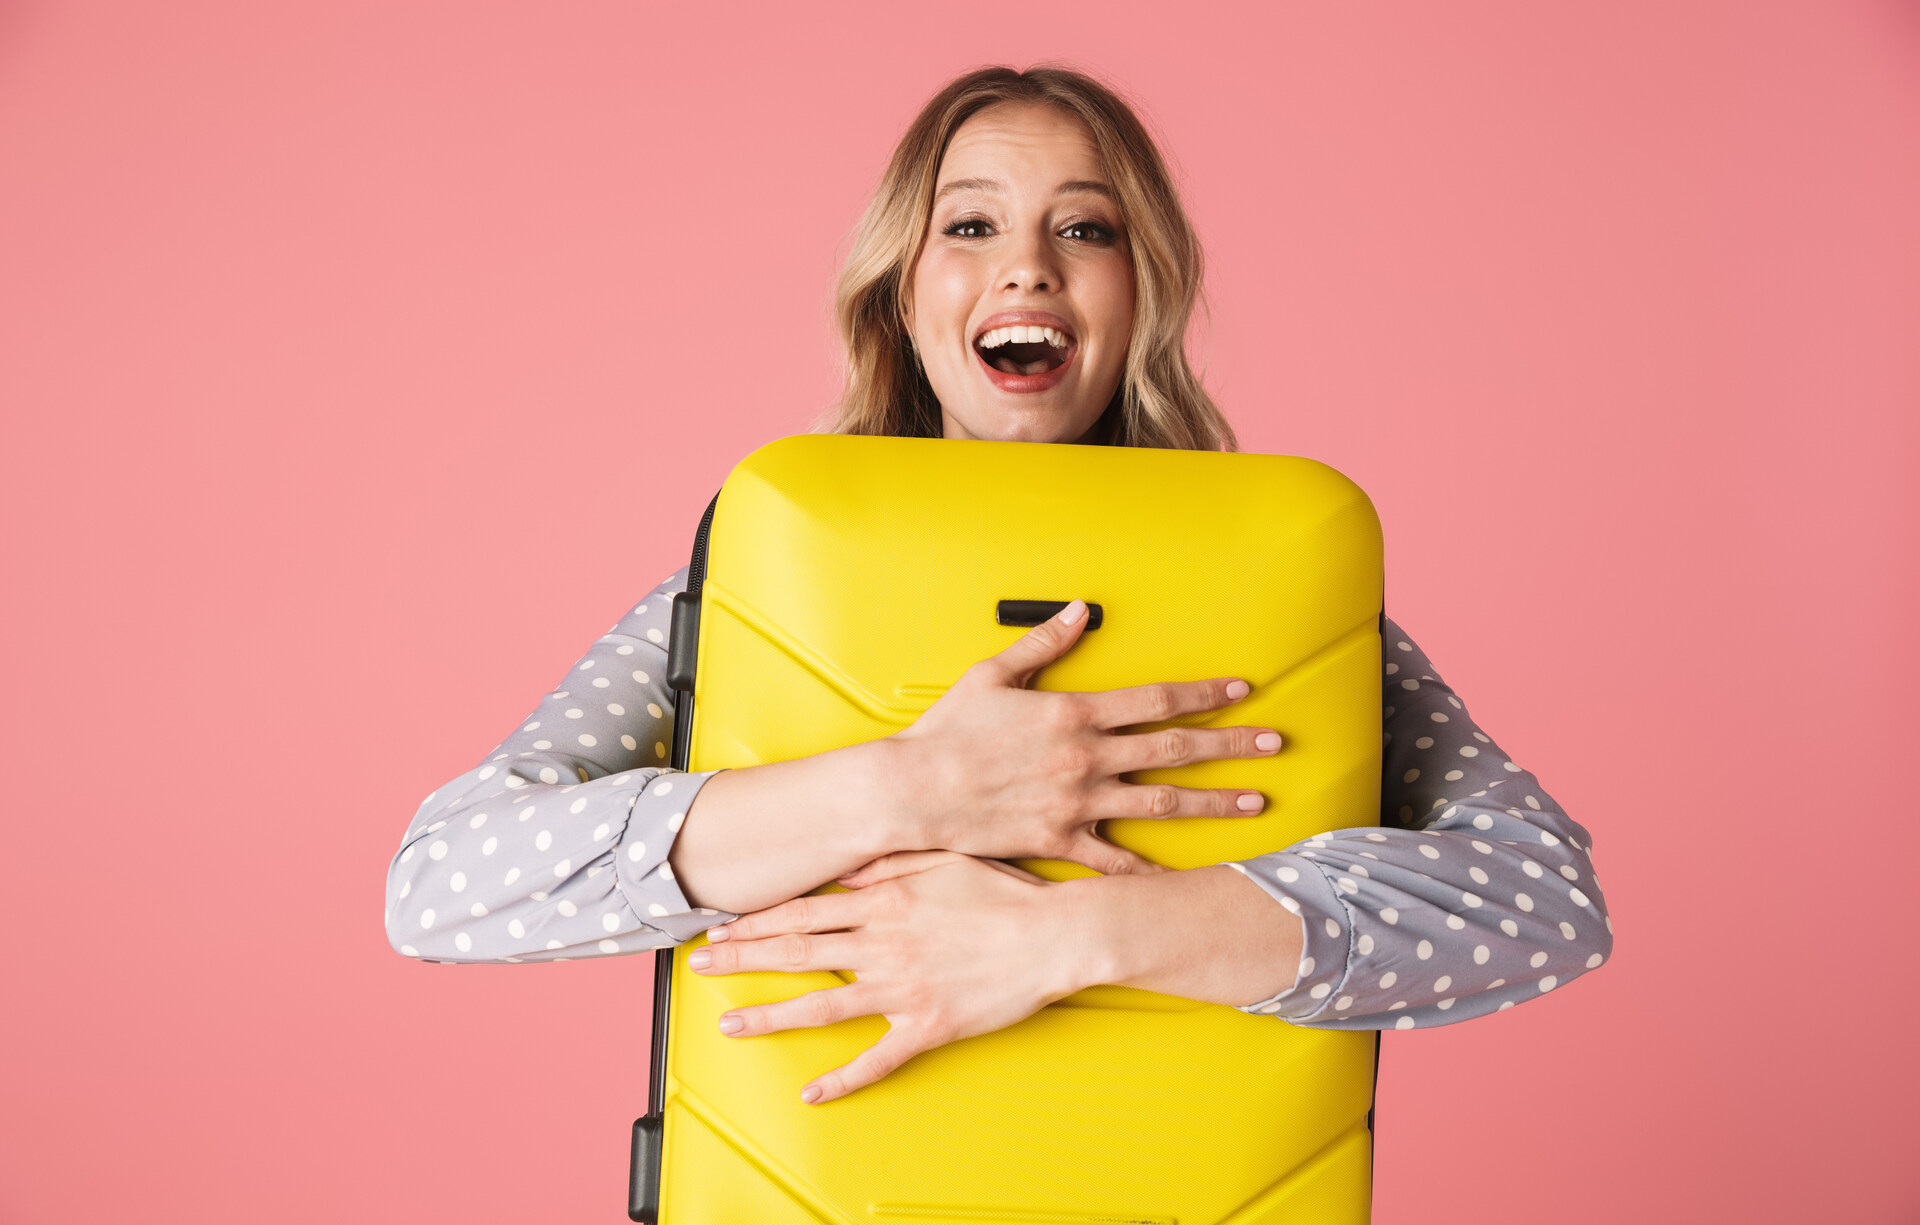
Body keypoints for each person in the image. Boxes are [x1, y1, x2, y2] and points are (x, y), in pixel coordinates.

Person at [384, 65, 1612, 1109]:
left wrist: (1061, 940)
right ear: (902, 291)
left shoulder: (1275, 587)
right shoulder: (764, 576)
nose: (1026, 267)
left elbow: (1544, 900)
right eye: (968, 227)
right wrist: (907, 787)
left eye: (1085, 228)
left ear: (1144, 293)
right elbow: (446, 881)